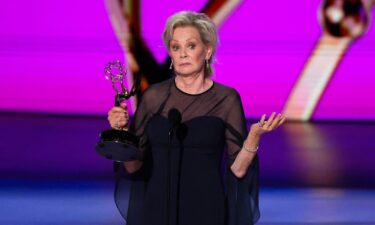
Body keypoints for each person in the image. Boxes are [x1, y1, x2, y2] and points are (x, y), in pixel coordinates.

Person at [107, 11, 286, 225]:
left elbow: (237, 170)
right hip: (157, 210)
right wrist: (123, 133)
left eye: (191, 46)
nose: (183, 54)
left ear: (207, 51)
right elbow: (133, 167)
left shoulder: (225, 99)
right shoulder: (153, 97)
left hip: (206, 210)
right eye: (176, 47)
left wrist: (254, 137)